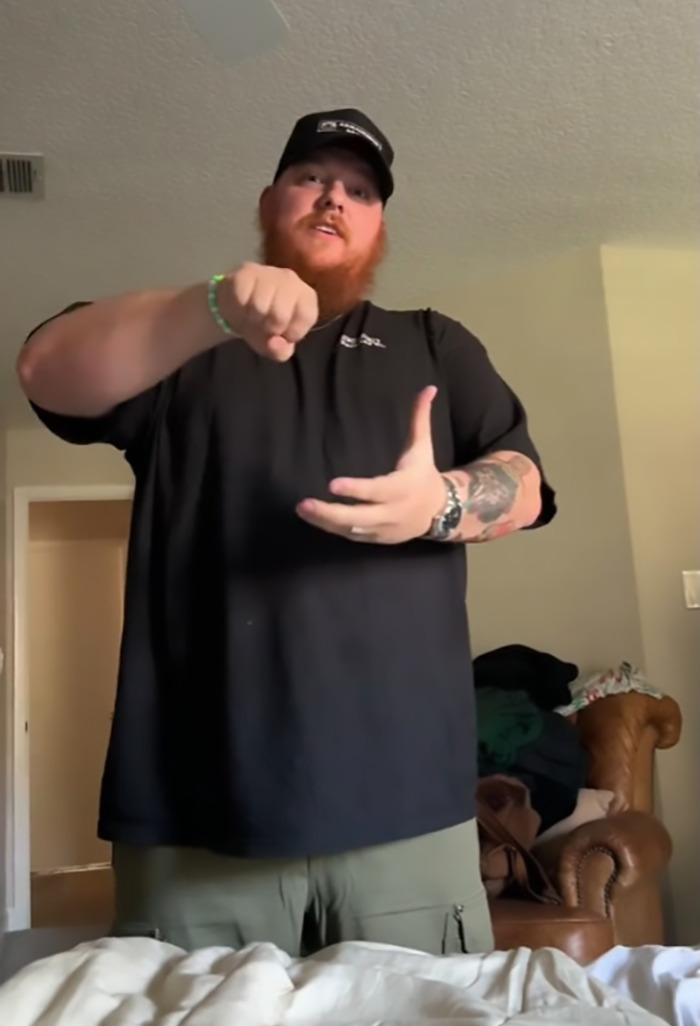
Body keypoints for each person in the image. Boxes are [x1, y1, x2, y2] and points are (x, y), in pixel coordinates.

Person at [18, 108, 556, 957]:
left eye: (360, 190)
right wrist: (213, 306)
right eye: (311, 178)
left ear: (380, 224)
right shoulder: (185, 346)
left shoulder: (434, 343)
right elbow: (43, 369)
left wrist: (443, 505)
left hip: (409, 811)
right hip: (192, 815)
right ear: (269, 202)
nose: (334, 198)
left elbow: (524, 486)